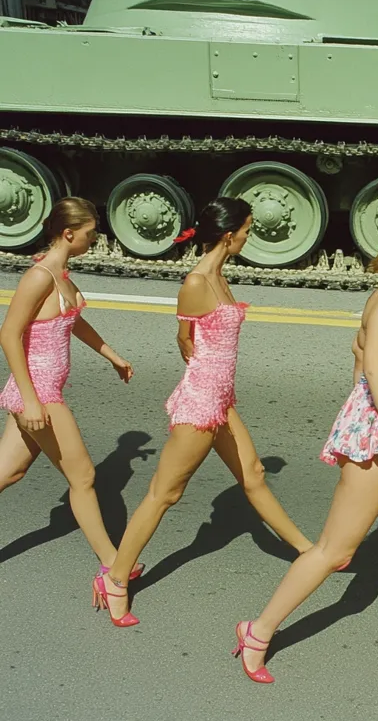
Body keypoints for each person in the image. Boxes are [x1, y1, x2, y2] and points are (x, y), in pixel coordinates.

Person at [231, 222, 378, 684]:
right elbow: (376, 373)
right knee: (333, 551)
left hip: (373, 425)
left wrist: (364, 420)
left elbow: (358, 359)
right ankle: (257, 632)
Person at [92, 197, 312, 627]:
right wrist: (204, 384)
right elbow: (184, 340)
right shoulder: (196, 283)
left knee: (253, 475)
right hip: (200, 405)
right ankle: (115, 578)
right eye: (248, 229)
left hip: (221, 401)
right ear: (229, 236)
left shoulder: (219, 277)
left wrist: (217, 387)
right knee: (164, 494)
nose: (251, 236)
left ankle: (308, 550)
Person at [0, 197, 137, 579]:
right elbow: (9, 335)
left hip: (39, 391)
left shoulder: (62, 275)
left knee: (8, 473)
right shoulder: (40, 276)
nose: (94, 240)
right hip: (39, 393)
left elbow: (72, 321)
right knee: (84, 478)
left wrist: (111, 354)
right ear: (68, 233)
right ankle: (113, 565)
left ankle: (113, 563)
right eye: (90, 234)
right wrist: (30, 400)